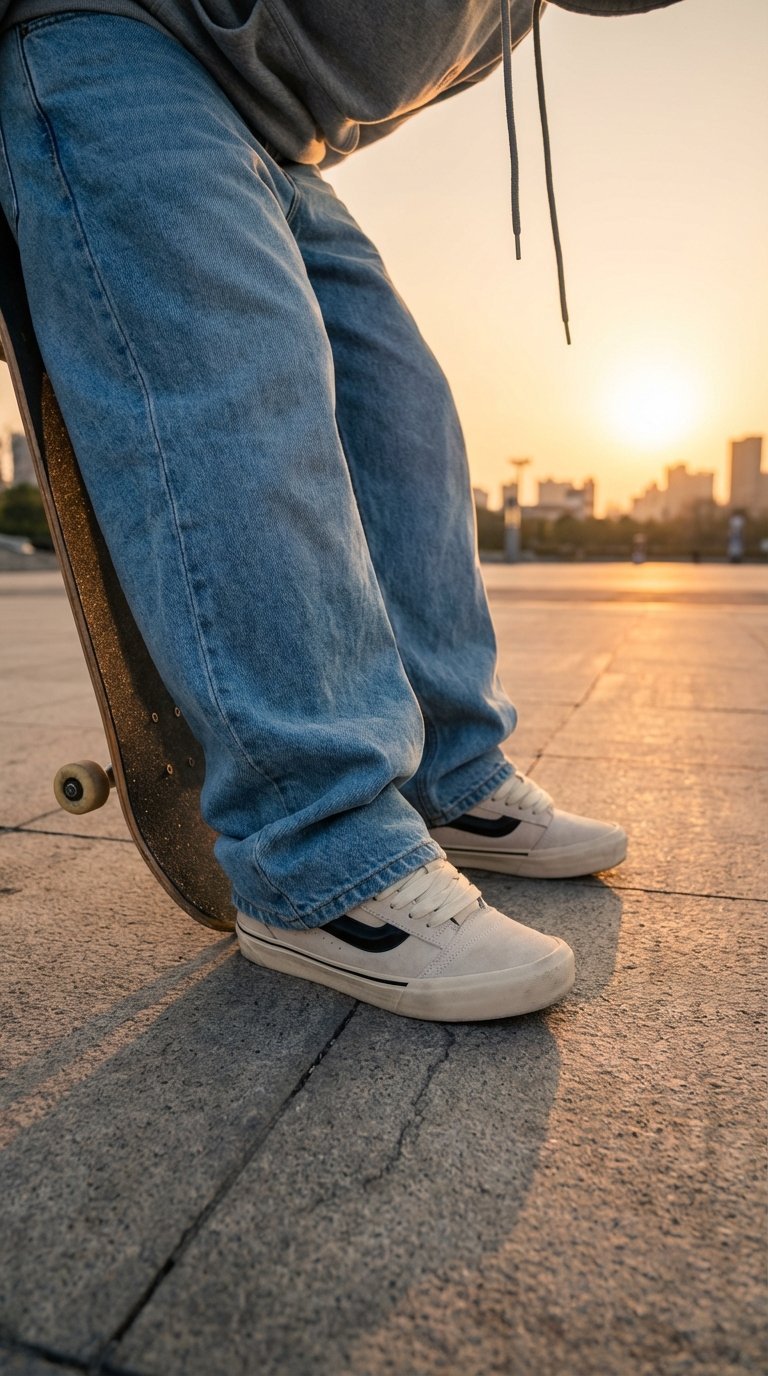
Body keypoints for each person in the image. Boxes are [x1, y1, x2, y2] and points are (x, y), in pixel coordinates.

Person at [0, 0, 678, 1022]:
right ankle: (315, 853)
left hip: (276, 136)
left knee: (401, 407)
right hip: (110, 34)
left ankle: (452, 772)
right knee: (243, 378)